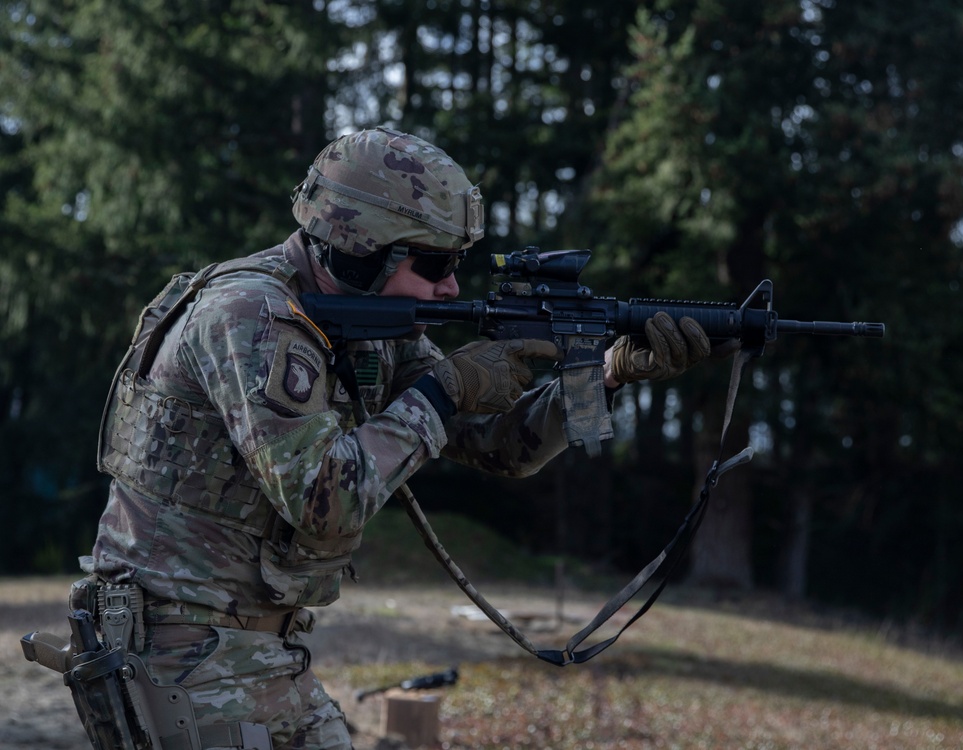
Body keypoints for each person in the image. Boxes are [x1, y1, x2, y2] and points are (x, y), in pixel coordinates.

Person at [80, 127, 712, 749]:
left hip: (243, 644)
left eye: (456, 264)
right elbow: (327, 502)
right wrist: (443, 390)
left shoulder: (371, 328)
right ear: (361, 250)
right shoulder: (251, 315)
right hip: (177, 647)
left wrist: (605, 375)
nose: (451, 287)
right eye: (433, 263)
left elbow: (497, 445)